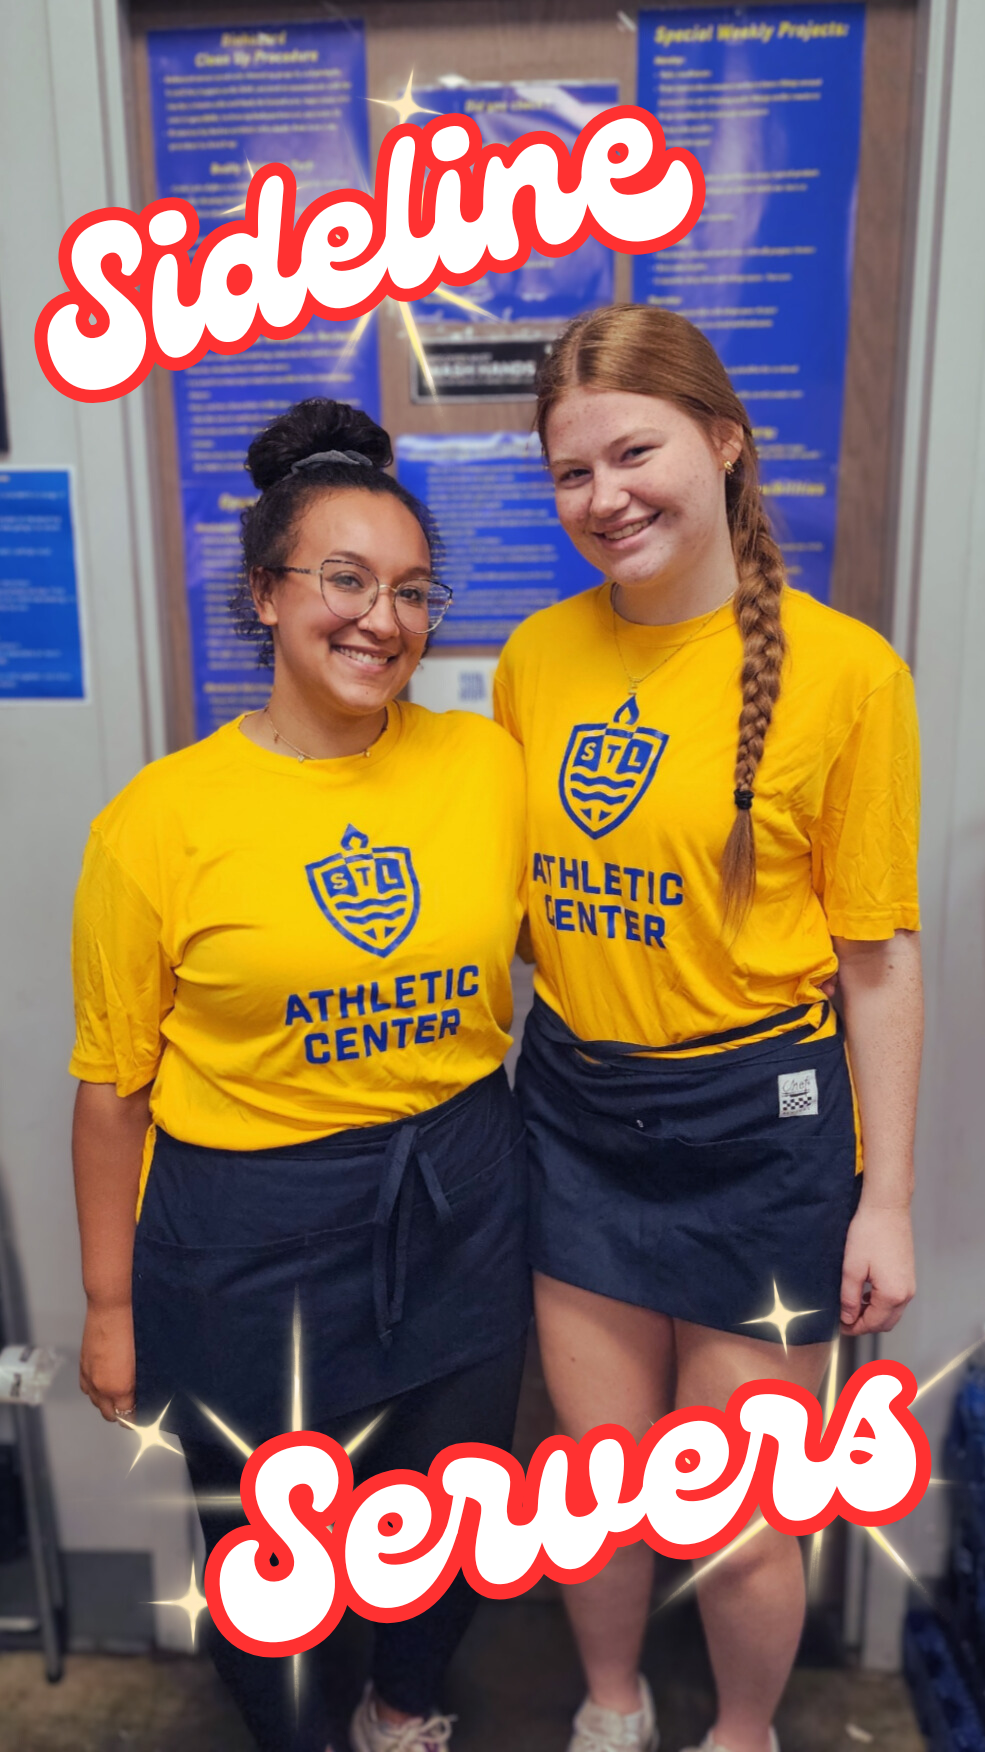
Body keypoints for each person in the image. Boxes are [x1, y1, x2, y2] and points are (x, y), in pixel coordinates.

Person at [70, 399, 531, 1752]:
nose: (383, 619)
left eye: (412, 591)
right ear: (266, 593)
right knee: (273, 1558)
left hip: (458, 1196)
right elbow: (112, 1087)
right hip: (243, 1236)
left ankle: (406, 1707)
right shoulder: (158, 820)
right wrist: (109, 1305)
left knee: (454, 1509)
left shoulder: (486, 766)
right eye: (345, 580)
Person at [494, 305, 921, 1752]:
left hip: (763, 1126)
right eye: (571, 471)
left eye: (635, 452)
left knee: (735, 1508)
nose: (604, 497)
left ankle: (742, 1734)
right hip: (576, 1111)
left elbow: (878, 963)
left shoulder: (849, 674)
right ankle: (610, 1709)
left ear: (725, 442)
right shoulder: (535, 659)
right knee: (599, 1481)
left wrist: (887, 1202)